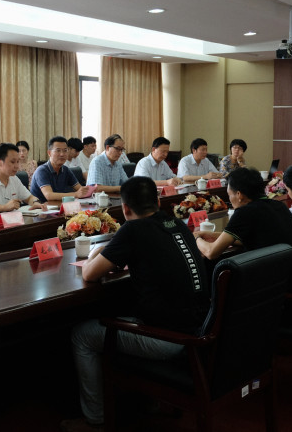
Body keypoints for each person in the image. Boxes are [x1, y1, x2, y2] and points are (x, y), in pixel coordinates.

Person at [63, 176, 210, 432]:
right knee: (132, 306)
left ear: (125, 209)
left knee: (82, 335)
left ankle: (95, 421)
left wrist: (98, 250)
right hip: (199, 329)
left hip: (169, 339)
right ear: (158, 201)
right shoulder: (176, 223)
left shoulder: (133, 229)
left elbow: (89, 273)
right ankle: (150, 400)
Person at [194, 167, 292, 295]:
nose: (229, 199)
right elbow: (257, 238)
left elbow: (211, 253)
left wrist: (196, 238)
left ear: (239, 195)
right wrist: (212, 235)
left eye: (229, 195)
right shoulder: (277, 205)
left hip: (284, 290)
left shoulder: (245, 212)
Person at [0, 143, 45, 214]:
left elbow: (29, 198)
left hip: (13, 220)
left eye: (18, 161)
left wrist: (35, 202)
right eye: (12, 162)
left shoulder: (14, 179)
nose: (17, 166)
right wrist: (4, 207)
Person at [30, 136, 86, 202]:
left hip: (59, 206)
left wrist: (89, 190)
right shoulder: (41, 171)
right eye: (58, 150)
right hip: (41, 207)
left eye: (65, 151)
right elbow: (49, 195)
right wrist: (75, 194)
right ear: (49, 153)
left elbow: (80, 189)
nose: (62, 154)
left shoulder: (65, 170)